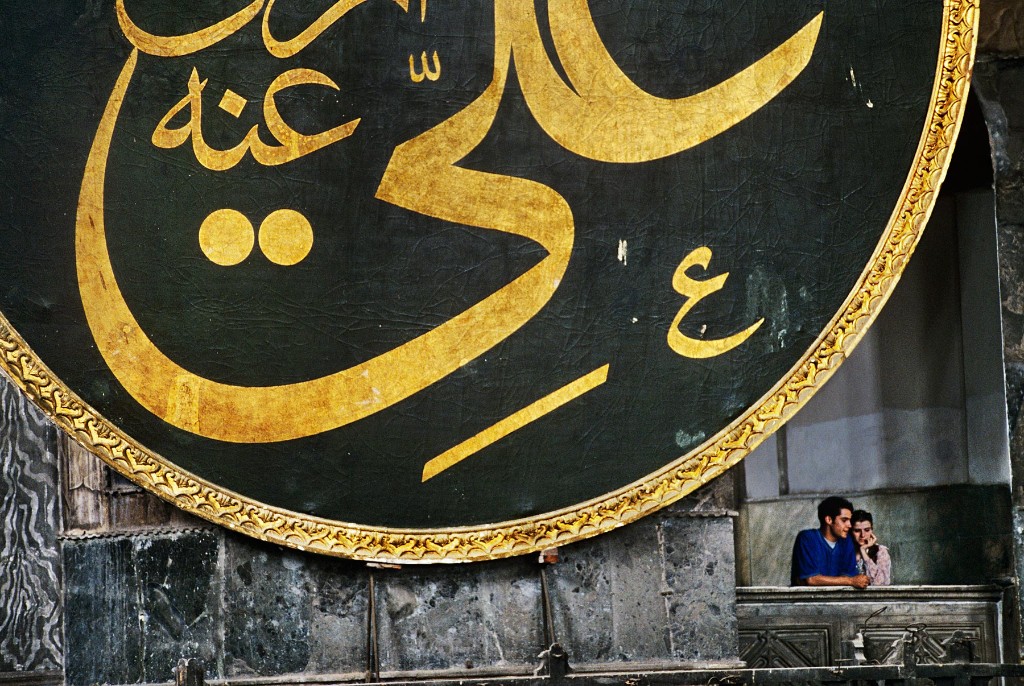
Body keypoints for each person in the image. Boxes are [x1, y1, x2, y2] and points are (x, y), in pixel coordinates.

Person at [790, 496, 870, 588]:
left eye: (850, 520)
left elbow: (848, 575)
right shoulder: (807, 538)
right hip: (808, 600)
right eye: (844, 520)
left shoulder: (847, 541)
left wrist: (849, 580)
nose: (849, 525)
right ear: (829, 520)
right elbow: (811, 580)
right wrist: (851, 581)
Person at [851, 510, 891, 586]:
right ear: (851, 531)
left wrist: (863, 552)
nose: (862, 535)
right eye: (857, 531)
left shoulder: (881, 551)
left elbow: (880, 584)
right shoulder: (846, 551)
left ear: (872, 530)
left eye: (867, 530)